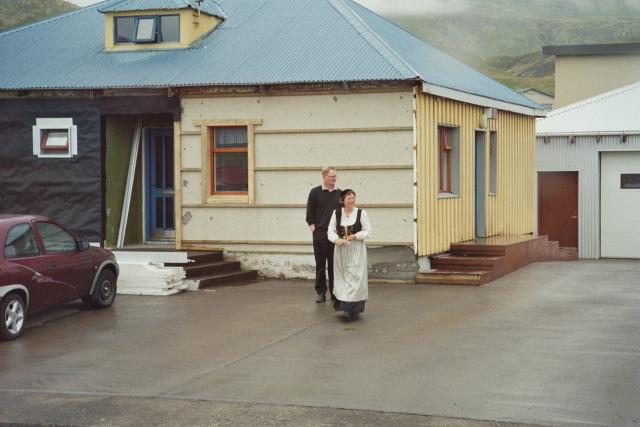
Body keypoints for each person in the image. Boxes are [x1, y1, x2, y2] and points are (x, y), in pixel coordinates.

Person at [327, 189, 371, 321]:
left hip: (356, 249)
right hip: (341, 250)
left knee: (356, 277)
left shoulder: (361, 213)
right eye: (349, 198)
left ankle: (354, 309)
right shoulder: (336, 213)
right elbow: (330, 230)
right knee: (343, 277)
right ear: (342, 200)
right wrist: (336, 240)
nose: (352, 200)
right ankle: (345, 306)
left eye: (353, 198)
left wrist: (356, 236)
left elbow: (368, 231)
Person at [306, 167, 341, 303]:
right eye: (332, 176)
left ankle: (335, 292)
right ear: (324, 177)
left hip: (335, 235)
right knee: (320, 264)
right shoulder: (315, 192)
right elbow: (309, 215)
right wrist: (314, 230)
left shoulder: (340, 193)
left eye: (335, 176)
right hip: (320, 233)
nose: (334, 179)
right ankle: (321, 292)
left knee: (334, 265)